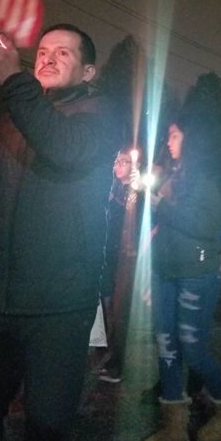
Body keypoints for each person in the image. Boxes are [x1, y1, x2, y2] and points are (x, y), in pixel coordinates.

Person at [0, 24, 118, 441]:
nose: (47, 57)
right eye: (42, 51)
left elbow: (64, 148)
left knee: (46, 433)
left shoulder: (98, 114)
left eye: (62, 52)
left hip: (59, 307)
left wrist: (14, 82)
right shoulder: (17, 114)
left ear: (88, 70)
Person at [140, 116, 221, 441]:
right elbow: (161, 224)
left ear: (193, 139)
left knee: (192, 348)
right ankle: (174, 426)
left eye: (174, 135)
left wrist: (162, 206)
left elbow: (207, 226)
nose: (168, 142)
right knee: (166, 345)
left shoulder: (213, 179)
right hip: (165, 271)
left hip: (196, 273)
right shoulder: (173, 174)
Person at [98, 146, 142, 383]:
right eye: (116, 161)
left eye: (124, 162)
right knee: (107, 307)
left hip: (125, 259)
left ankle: (121, 362)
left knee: (120, 310)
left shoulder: (136, 192)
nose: (118, 166)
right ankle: (110, 351)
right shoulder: (110, 187)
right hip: (107, 255)